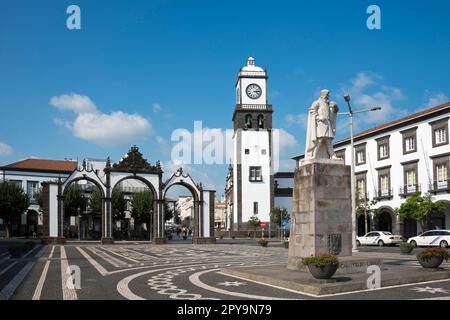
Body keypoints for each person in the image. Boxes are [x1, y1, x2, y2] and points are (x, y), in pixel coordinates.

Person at [305, 89, 339, 160]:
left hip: (327, 123)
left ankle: (332, 155)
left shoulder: (328, 104)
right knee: (320, 140)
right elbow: (312, 111)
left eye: (328, 95)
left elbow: (335, 110)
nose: (328, 96)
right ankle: (314, 155)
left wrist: (335, 106)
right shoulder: (316, 102)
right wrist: (319, 117)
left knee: (328, 141)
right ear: (323, 94)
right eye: (327, 94)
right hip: (320, 124)